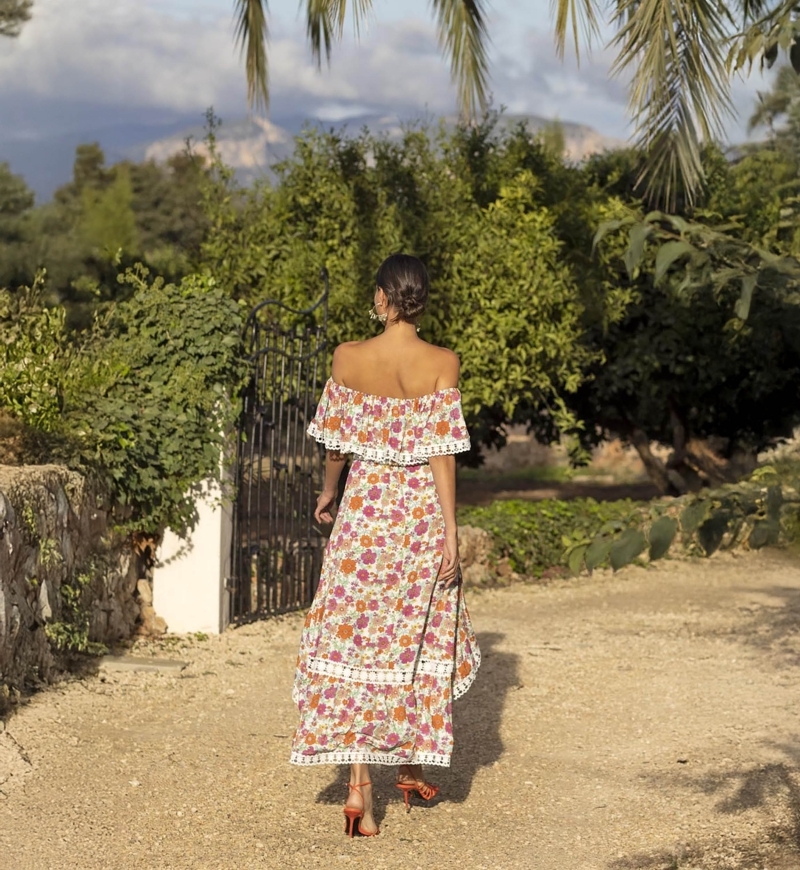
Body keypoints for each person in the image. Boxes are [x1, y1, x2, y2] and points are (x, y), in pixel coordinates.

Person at [289, 253, 480, 837]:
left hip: (364, 516)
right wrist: (449, 531)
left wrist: (329, 492)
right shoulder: (443, 362)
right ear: (420, 298)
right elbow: (442, 455)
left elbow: (336, 446)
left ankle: (360, 791)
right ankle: (410, 758)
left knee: (353, 643)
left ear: (381, 297)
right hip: (417, 518)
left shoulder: (347, 357)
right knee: (411, 639)